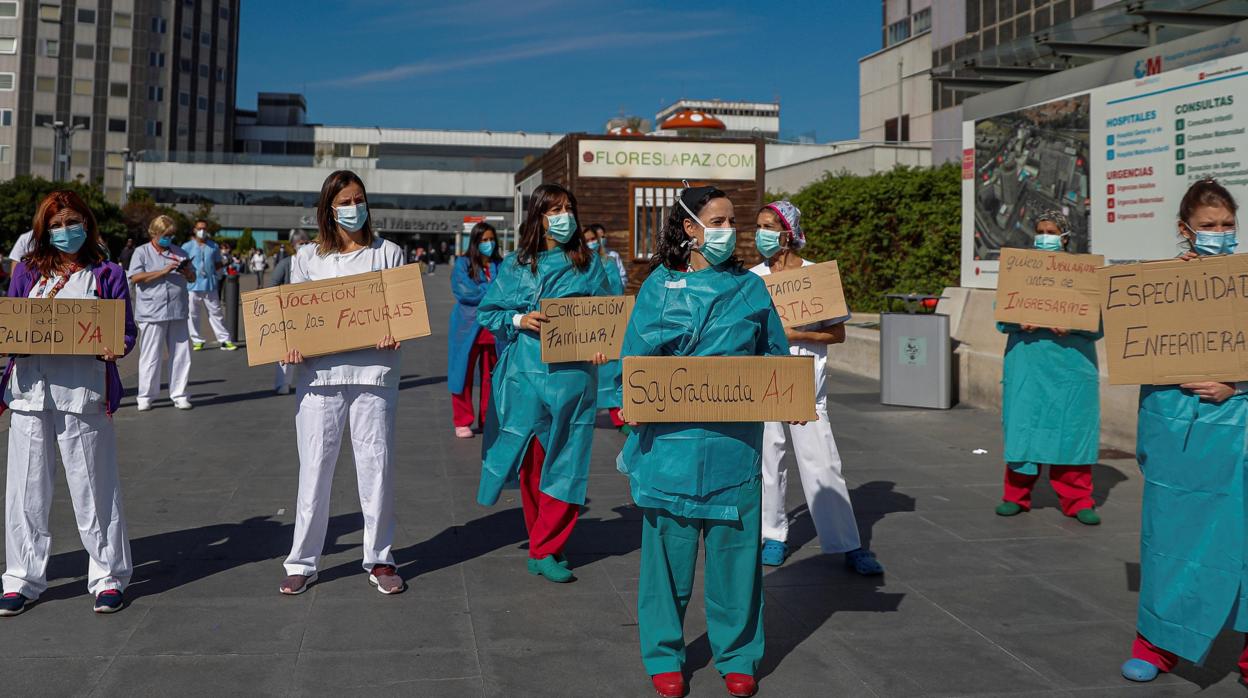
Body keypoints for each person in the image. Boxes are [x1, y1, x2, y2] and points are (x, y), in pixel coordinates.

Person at [617, 185, 788, 698]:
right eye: (718, 220)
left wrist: (789, 397)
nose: (729, 231)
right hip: (670, 448)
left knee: (736, 561)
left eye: (732, 221)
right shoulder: (658, 288)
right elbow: (635, 362)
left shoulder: (751, 290)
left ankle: (738, 654)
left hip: (734, 448)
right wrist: (629, 401)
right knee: (665, 564)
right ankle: (664, 654)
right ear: (690, 228)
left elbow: (775, 355)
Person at [1121, 178, 1248, 683]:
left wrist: (1235, 385)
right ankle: (1158, 645)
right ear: (1185, 229)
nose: (1219, 233)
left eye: (1227, 225)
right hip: (1177, 427)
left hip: (1238, 426)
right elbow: (1133, 349)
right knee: (1170, 534)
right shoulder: (1157, 285)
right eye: (1209, 226)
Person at [0, 191, 137, 617]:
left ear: (88, 223)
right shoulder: (26, 272)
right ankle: (21, 577)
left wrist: (115, 347)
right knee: (26, 489)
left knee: (93, 487)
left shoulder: (108, 274)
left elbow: (126, 331)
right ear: (43, 231)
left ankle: (108, 575)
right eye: (56, 225)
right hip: (29, 392)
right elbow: (13, 321)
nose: (65, 231)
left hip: (83, 392)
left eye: (72, 222)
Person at [278, 170, 407, 597]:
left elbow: (402, 310)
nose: (354, 208)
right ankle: (302, 560)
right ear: (328, 210)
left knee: (377, 465)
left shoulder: (389, 253)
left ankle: (380, 557)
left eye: (359, 199)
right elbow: (293, 317)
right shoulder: (307, 258)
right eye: (345, 202)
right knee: (314, 468)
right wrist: (292, 345)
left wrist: (396, 328)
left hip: (374, 374)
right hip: (320, 378)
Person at [476, 183, 608, 584]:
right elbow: (489, 311)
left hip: (574, 380)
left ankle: (546, 545)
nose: (564, 216)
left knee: (568, 462)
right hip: (527, 379)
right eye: (555, 209)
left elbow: (609, 314)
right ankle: (543, 543)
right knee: (533, 467)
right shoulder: (519, 265)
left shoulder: (590, 264)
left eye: (569, 208)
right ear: (539, 217)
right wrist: (520, 320)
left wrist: (603, 343)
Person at [749, 200, 884, 575]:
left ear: (788, 234)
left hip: (808, 386)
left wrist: (797, 332)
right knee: (769, 463)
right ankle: (773, 536)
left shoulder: (816, 278)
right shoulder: (750, 278)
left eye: (768, 227)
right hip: (764, 383)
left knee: (823, 465)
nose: (760, 234)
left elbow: (837, 333)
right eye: (757, 226)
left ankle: (849, 544)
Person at [995, 210, 1102, 526]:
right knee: (1022, 428)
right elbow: (1000, 312)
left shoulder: (1084, 275)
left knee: (1071, 431)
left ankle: (1078, 499)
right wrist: (1019, 319)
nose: (1045, 237)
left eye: (1052, 232)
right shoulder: (1021, 271)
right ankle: (1014, 495)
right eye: (1041, 231)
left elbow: (1096, 321)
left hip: (1070, 366)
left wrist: (1073, 325)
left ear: (1065, 237)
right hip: (1028, 363)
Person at [127, 215, 196, 411]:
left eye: (172, 235)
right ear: (155, 233)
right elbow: (136, 277)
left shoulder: (180, 253)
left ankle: (180, 394)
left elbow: (193, 278)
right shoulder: (141, 252)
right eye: (165, 235)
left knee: (182, 354)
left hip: (177, 309)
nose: (169, 238)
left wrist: (188, 273)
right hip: (151, 311)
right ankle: (146, 395)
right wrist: (162, 272)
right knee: (151, 355)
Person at [449, 222, 502, 438]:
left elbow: (508, 289)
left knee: (493, 378)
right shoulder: (463, 263)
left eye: (491, 239)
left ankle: (487, 419)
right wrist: (493, 291)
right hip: (467, 328)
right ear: (475, 242)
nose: (488, 244)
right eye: (484, 240)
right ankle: (462, 420)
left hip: (494, 329)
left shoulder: (501, 263)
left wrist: (491, 291)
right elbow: (464, 292)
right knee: (463, 374)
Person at [582, 224, 626, 429]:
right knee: (584, 370)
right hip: (582, 325)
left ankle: (619, 415)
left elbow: (615, 291)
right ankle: (583, 413)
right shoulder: (577, 266)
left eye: (593, 239)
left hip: (606, 322)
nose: (592, 242)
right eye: (587, 239)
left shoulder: (608, 262)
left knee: (610, 368)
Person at [182, 220, 237, 351]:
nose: (202, 230)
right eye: (200, 228)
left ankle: (224, 340)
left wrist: (225, 263)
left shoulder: (213, 246)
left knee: (216, 312)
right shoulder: (187, 246)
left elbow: (218, 264)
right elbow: (182, 265)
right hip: (192, 286)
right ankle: (196, 340)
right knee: (193, 314)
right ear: (194, 230)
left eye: (204, 228)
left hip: (210, 284)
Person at [269, 230, 310, 395]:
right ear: (293, 246)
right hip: (289, 312)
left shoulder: (316, 263)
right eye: (300, 243)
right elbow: (273, 285)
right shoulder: (286, 263)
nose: (304, 245)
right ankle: (283, 383)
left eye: (306, 242)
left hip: (310, 314)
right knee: (287, 350)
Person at [585, 223, 627, 289]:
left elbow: (621, 278)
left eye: (603, 237)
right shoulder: (584, 259)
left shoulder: (612, 257)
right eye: (587, 240)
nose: (591, 242)